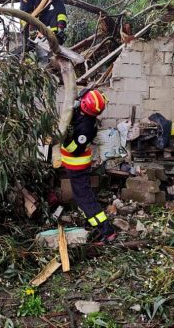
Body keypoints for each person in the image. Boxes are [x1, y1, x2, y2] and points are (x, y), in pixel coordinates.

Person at [60, 89, 116, 245]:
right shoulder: (84, 112)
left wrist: (64, 139)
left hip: (77, 167)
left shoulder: (87, 128)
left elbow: (75, 148)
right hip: (73, 166)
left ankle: (107, 231)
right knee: (83, 198)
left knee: (84, 199)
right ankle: (98, 226)